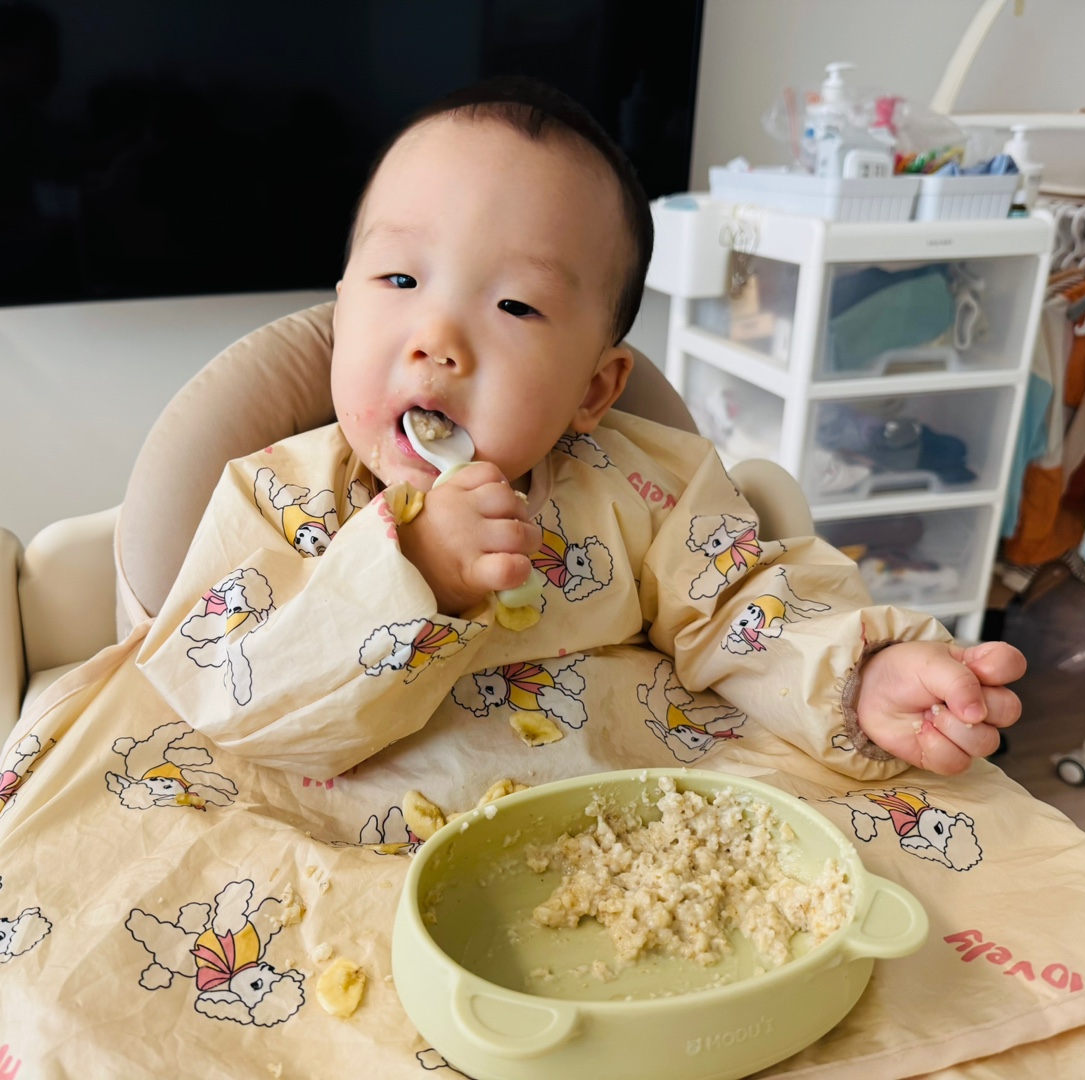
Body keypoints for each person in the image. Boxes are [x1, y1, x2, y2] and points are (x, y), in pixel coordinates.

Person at [137, 76, 1024, 784]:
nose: (436, 341)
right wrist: (412, 576)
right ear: (342, 308)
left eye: (516, 305)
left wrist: (859, 679)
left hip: (605, 817)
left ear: (594, 389)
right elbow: (235, 702)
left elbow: (748, 611)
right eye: (400, 280)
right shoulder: (279, 497)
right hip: (350, 848)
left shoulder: (649, 492)